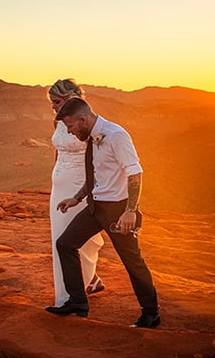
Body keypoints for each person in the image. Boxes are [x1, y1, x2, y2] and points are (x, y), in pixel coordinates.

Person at [45, 97, 160, 329]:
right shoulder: (92, 137)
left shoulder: (116, 136)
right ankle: (77, 301)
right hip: (95, 207)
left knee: (132, 261)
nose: (69, 131)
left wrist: (130, 211)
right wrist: (75, 198)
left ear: (83, 119)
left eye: (70, 127)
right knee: (65, 244)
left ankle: (151, 313)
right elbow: (95, 175)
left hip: (118, 211)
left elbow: (135, 173)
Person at [48, 79, 105, 307]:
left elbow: (97, 157)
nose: (53, 106)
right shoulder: (59, 122)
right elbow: (58, 152)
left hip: (79, 187)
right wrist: (55, 177)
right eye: (52, 102)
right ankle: (86, 283)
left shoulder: (86, 120)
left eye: (57, 101)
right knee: (58, 239)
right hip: (59, 187)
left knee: (80, 239)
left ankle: (75, 293)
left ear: (71, 98)